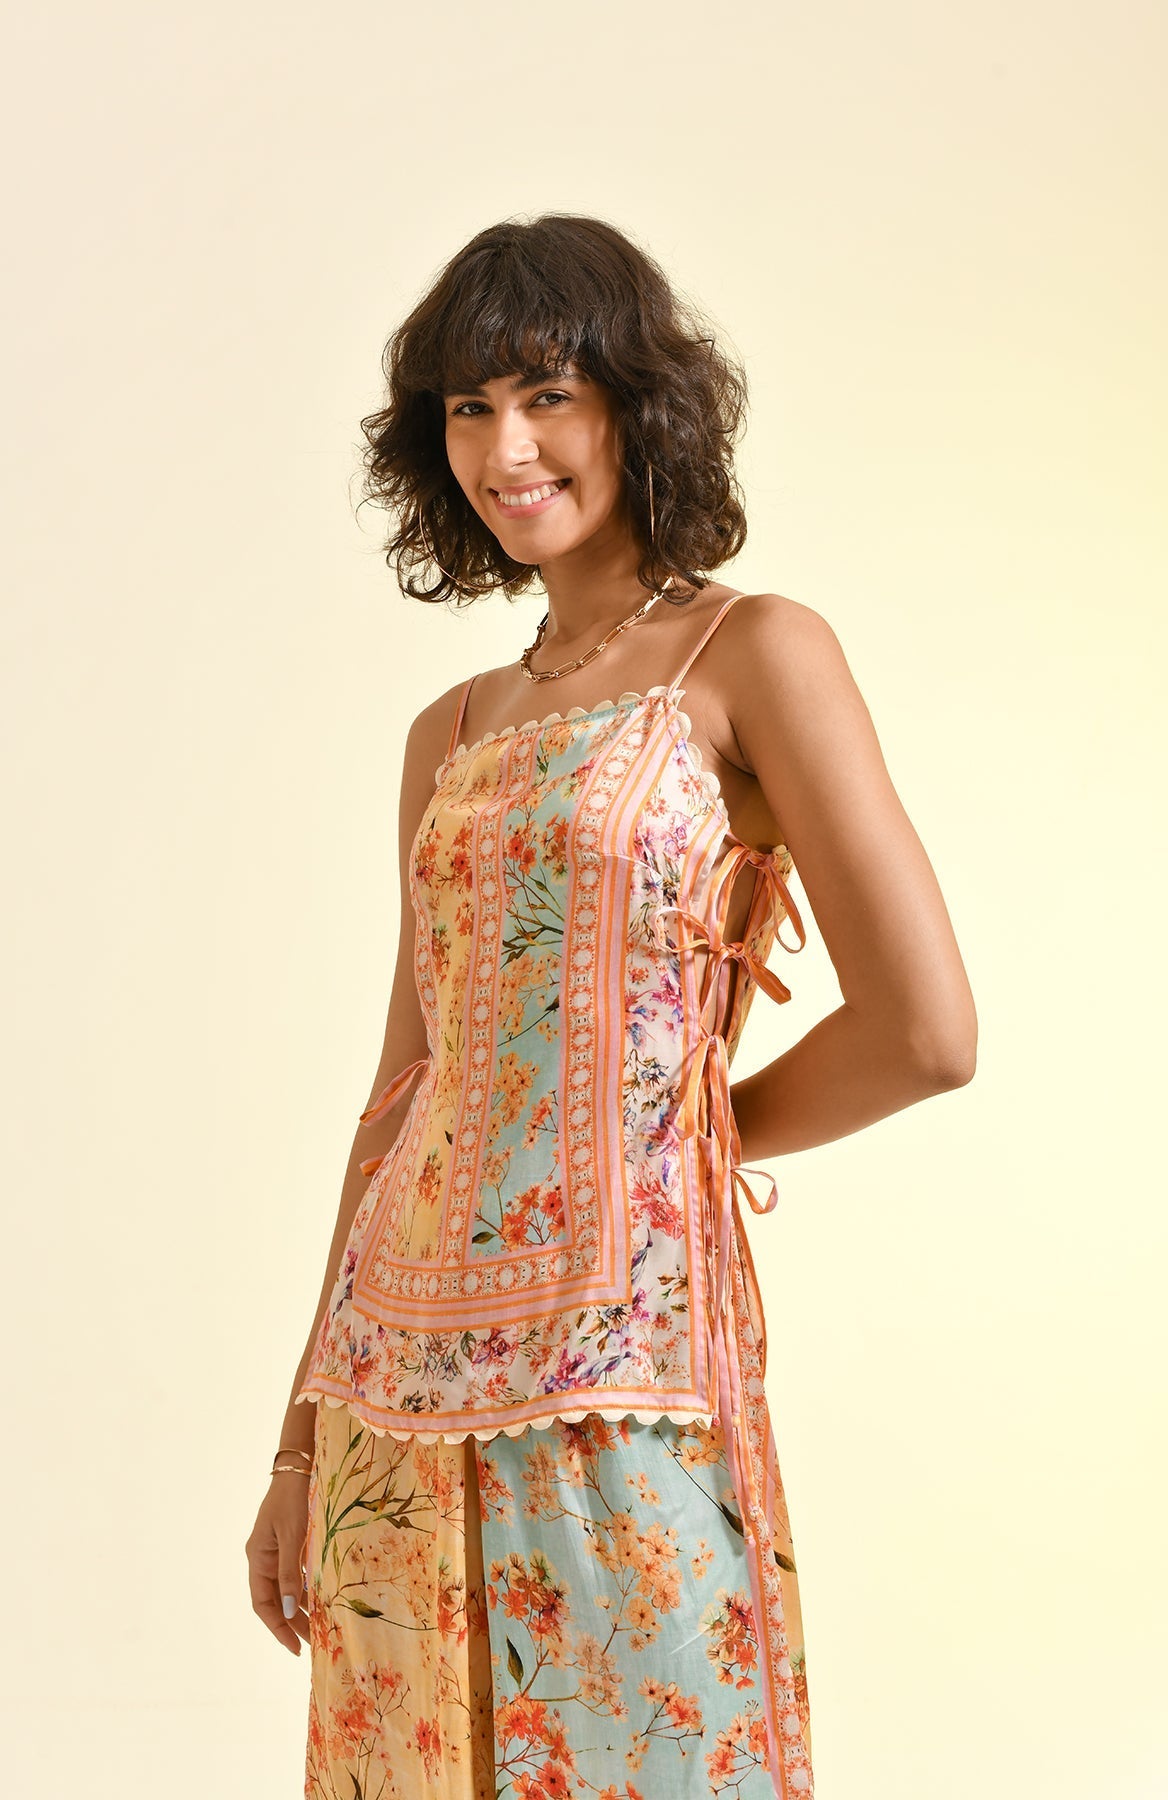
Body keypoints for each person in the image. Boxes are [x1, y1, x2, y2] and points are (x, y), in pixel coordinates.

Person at [245, 213, 977, 1800]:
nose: (504, 449)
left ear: (638, 404)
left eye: (546, 395)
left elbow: (927, 1032)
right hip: (388, 1390)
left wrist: (682, 1143)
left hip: (624, 1377)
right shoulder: (449, 730)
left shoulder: (751, 652)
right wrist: (299, 1439)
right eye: (467, 407)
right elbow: (408, 1091)